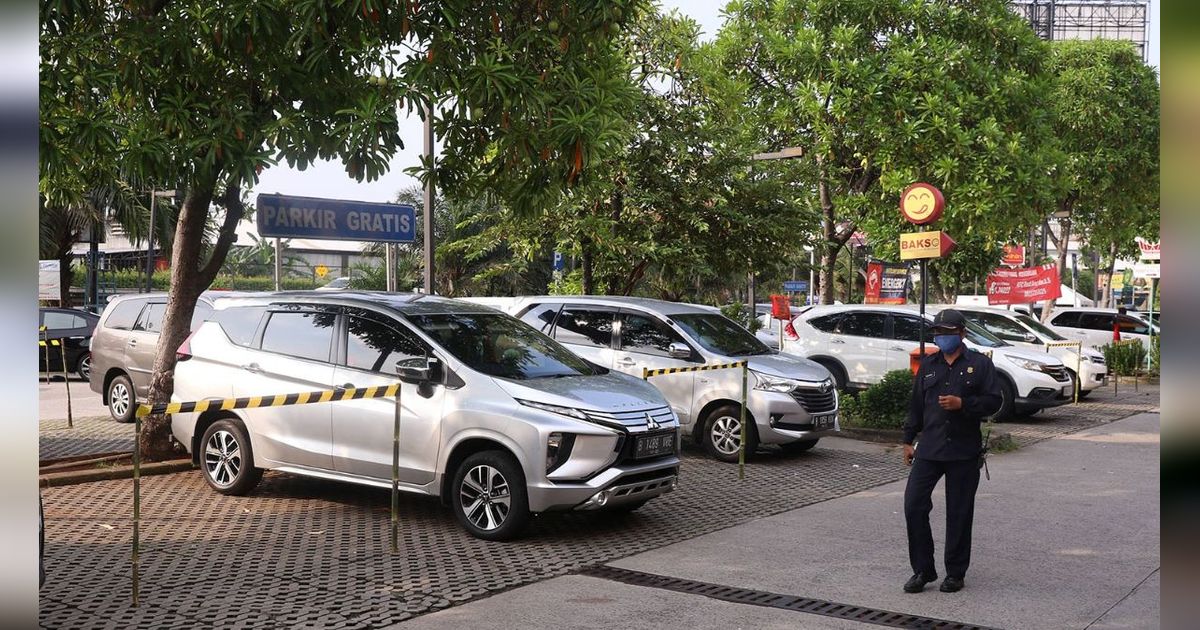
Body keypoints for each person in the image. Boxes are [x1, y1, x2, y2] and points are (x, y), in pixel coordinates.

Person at [901, 309, 1001, 594]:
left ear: (961, 334)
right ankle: (923, 570)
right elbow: (916, 406)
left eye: (947, 333)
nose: (942, 337)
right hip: (929, 449)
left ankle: (955, 573)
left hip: (963, 451)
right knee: (913, 506)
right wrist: (908, 440)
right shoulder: (929, 365)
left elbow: (994, 401)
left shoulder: (980, 365)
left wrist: (964, 405)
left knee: (959, 513)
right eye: (938, 333)